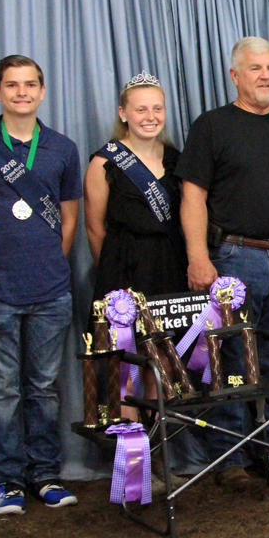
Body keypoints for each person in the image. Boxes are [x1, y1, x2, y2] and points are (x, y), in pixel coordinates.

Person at [177, 36, 269, 484]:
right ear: (235, 75)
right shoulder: (212, 126)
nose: (265, 76)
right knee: (231, 360)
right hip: (233, 259)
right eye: (255, 68)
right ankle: (230, 458)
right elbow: (193, 195)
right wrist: (198, 255)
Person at [0, 55, 82, 515]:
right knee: (2, 390)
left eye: (30, 84)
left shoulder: (62, 148)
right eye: (12, 85)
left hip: (50, 289)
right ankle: (8, 480)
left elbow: (69, 218)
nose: (22, 92)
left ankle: (45, 474)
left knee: (44, 388)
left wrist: (47, 260)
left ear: (42, 92)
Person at [83, 71, 186, 421]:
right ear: (123, 113)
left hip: (169, 264)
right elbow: (94, 227)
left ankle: (156, 441)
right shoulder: (104, 163)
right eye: (141, 109)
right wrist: (112, 277)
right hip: (123, 268)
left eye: (157, 108)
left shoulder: (177, 160)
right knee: (125, 364)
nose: (150, 116)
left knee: (163, 357)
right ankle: (129, 446)